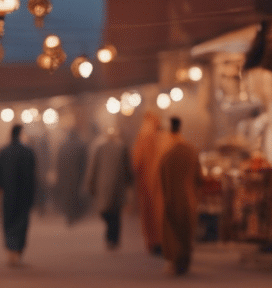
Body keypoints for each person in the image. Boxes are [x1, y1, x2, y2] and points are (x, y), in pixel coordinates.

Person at [158, 117, 203, 275]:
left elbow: (161, 179)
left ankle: (176, 262)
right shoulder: (191, 152)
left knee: (173, 232)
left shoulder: (166, 155)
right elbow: (199, 178)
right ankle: (185, 261)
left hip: (171, 198)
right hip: (189, 199)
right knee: (186, 231)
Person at [0, 124, 36, 266]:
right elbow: (33, 176)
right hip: (24, 194)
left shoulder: (4, 152)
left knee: (9, 221)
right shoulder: (28, 152)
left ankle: (11, 249)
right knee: (22, 221)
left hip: (8, 194)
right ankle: (18, 250)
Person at [83, 127, 133, 249]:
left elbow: (93, 168)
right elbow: (128, 169)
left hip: (104, 186)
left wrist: (90, 184)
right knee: (114, 213)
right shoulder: (121, 147)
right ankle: (113, 237)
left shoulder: (106, 148)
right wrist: (129, 182)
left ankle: (111, 238)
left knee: (108, 211)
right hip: (116, 186)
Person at [131, 112, 173, 255]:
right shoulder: (166, 138)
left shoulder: (142, 136)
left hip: (146, 184)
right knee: (162, 211)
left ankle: (153, 242)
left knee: (149, 214)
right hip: (162, 182)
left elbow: (136, 163)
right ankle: (163, 241)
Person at [55, 128, 88, 225]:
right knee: (75, 195)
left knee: (67, 196)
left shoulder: (63, 146)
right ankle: (74, 215)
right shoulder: (81, 146)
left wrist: (59, 175)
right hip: (77, 176)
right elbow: (84, 163)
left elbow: (59, 162)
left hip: (65, 176)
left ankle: (69, 215)